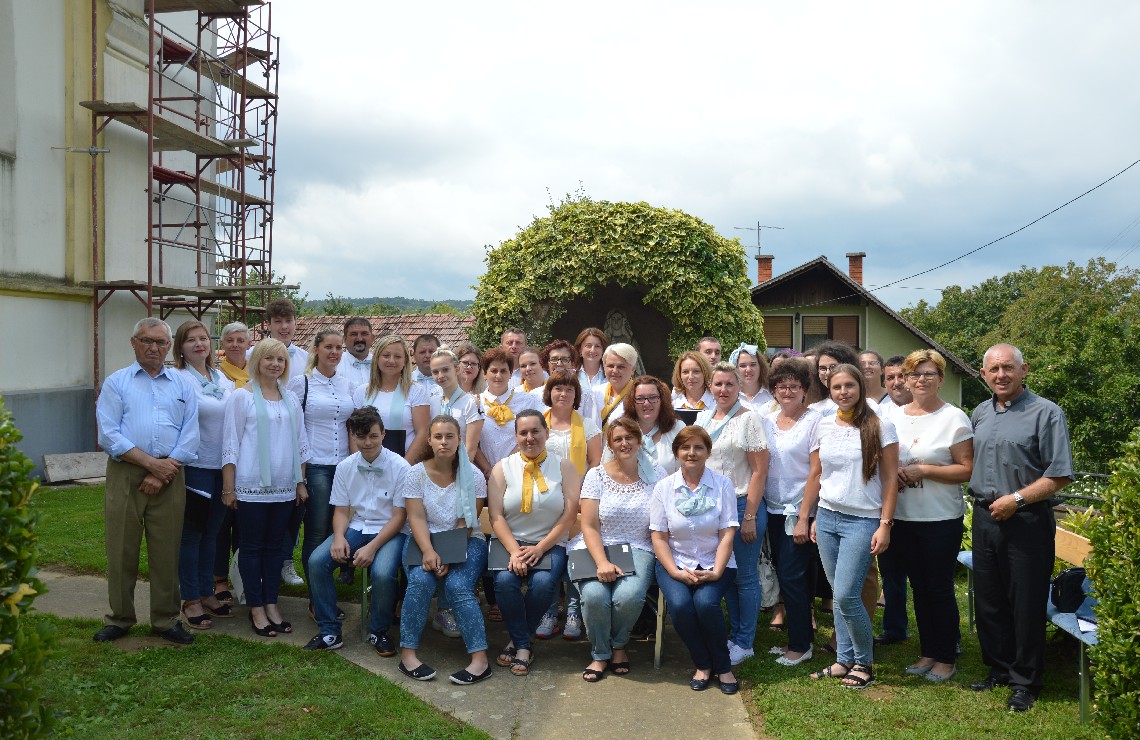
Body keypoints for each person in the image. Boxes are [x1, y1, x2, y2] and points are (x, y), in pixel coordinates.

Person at [968, 344, 1073, 712]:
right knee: (990, 599)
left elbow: (1059, 474)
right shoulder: (980, 412)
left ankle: (1025, 681)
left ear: (1023, 370)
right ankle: (999, 669)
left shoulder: (1046, 413)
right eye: (994, 369)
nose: (1001, 375)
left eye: (1008, 368)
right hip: (985, 517)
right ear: (984, 375)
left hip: (1026, 519)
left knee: (1026, 602)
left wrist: (1017, 499)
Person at [94, 318, 200, 645]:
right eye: (146, 341)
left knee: (167, 550)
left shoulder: (182, 384)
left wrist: (163, 469)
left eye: (161, 342)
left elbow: (191, 433)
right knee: (121, 548)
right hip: (126, 472)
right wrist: (151, 465)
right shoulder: (117, 382)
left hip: (171, 473)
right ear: (134, 342)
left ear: (169, 346)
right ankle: (120, 618)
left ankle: (166, 620)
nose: (154, 347)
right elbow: (108, 434)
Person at [799, 363, 898, 689]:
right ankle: (843, 660)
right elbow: (817, 474)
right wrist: (810, 516)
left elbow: (890, 480)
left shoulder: (881, 426)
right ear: (830, 390)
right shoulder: (824, 425)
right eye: (837, 387)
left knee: (846, 595)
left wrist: (885, 524)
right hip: (828, 517)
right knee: (839, 596)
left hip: (863, 520)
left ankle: (864, 663)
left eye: (849, 386)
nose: (843, 392)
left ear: (861, 387)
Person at [877, 350, 973, 683]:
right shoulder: (893, 417)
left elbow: (966, 469)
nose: (921, 380)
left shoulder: (954, 418)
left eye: (929, 374)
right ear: (905, 379)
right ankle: (928, 651)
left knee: (938, 587)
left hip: (940, 518)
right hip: (902, 516)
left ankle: (946, 657)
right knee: (918, 587)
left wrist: (925, 470)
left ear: (940, 379)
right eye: (914, 374)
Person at [221, 338, 310, 637]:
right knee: (251, 547)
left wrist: (300, 482)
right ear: (257, 360)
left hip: (284, 486)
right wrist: (229, 488)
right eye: (269, 358)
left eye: (280, 360)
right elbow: (231, 442)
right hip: (251, 486)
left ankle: (272, 603)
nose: (275, 364)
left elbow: (301, 442)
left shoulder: (290, 399)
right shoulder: (241, 397)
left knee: (275, 548)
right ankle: (256, 607)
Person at [304, 407, 409, 655]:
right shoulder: (345, 467)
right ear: (352, 436)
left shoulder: (400, 466)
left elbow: (399, 516)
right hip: (358, 525)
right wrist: (339, 537)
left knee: (382, 573)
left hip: (391, 530)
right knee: (317, 561)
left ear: (383, 433)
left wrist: (372, 548)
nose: (367, 442)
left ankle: (379, 631)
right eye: (361, 437)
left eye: (373, 436)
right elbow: (341, 510)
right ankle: (329, 631)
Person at [399, 415, 492, 684]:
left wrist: (449, 555)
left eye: (450, 436)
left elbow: (467, 521)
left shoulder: (473, 475)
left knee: (457, 585)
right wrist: (429, 551)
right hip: (423, 539)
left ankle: (480, 661)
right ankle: (408, 656)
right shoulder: (415, 474)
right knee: (420, 581)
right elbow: (416, 518)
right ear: (429, 440)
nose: (444, 442)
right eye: (438, 437)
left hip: (466, 540)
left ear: (459, 440)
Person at [487, 410, 582, 676]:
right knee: (504, 582)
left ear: (546, 433)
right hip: (509, 542)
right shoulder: (502, 468)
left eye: (535, 431)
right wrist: (514, 551)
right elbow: (495, 515)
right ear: (516, 436)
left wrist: (541, 547)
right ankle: (523, 645)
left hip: (549, 543)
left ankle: (517, 642)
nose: (530, 438)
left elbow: (569, 514)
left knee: (542, 584)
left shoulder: (564, 467)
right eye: (523, 433)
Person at [650, 425, 739, 694]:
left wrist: (716, 571)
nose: (691, 453)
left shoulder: (723, 484)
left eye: (699, 447)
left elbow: (727, 533)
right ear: (676, 452)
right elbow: (659, 537)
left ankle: (723, 666)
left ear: (708, 452)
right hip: (675, 561)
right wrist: (674, 571)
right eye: (685, 447)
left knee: (706, 603)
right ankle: (703, 663)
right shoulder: (664, 488)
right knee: (680, 606)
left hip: (716, 561)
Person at [575, 418, 663, 681]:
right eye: (618, 439)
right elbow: (589, 525)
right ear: (610, 446)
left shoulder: (657, 474)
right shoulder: (596, 476)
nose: (624, 443)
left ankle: (619, 645)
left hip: (638, 546)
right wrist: (601, 562)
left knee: (628, 597)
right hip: (596, 545)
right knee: (594, 596)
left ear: (639, 440)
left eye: (629, 437)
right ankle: (600, 653)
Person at [698, 362, 770, 666]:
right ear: (710, 387)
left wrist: (750, 515)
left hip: (742, 504)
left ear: (740, 386)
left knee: (745, 576)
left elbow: (760, 470)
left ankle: (745, 641)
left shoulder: (749, 419)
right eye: (718, 384)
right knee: (726, 573)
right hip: (712, 508)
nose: (723, 389)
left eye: (730, 384)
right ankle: (735, 633)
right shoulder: (703, 417)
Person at [173, 320, 235, 630]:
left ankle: (207, 591)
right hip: (196, 467)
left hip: (222, 467)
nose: (199, 344)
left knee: (212, 533)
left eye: (203, 338)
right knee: (192, 535)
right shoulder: (179, 379)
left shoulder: (222, 378)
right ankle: (190, 598)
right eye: (191, 340)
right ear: (180, 348)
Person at [286, 328, 356, 600]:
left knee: (336, 529)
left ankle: (326, 588)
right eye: (329, 347)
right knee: (316, 530)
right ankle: (318, 598)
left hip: (343, 466)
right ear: (316, 350)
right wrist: (298, 476)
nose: (334, 352)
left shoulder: (347, 384)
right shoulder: (301, 383)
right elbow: (292, 429)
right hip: (315, 464)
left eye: (339, 348)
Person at [762, 359, 822, 666]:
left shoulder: (814, 422)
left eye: (794, 386)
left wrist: (803, 517)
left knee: (793, 576)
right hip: (771, 509)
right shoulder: (767, 420)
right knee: (784, 576)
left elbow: (816, 472)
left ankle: (801, 646)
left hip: (798, 511)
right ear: (773, 390)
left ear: (804, 390)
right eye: (781, 386)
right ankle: (797, 637)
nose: (787, 391)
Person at [534, 370, 602, 640]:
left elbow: (595, 464)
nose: (563, 394)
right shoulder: (539, 423)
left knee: (577, 553)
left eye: (569, 389)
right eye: (558, 388)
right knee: (549, 552)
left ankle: (574, 611)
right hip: (546, 499)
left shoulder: (588, 425)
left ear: (576, 395)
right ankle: (549, 611)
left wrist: (584, 496)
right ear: (549, 392)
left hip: (580, 499)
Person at [353, 334, 430, 463]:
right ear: (377, 358)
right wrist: (361, 464)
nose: (391, 361)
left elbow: (423, 432)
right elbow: (354, 432)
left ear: (405, 361)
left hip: (405, 465)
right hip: (367, 465)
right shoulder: (362, 392)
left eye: (397, 356)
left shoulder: (416, 391)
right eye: (386, 355)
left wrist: (403, 467)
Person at [478, 346, 542, 470]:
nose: (498, 375)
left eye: (503, 371)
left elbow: (533, 436)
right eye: (494, 371)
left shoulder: (528, 401)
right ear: (484, 373)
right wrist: (489, 471)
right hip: (485, 473)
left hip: (520, 469)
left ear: (511, 374)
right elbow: (471, 443)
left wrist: (504, 467)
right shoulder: (475, 403)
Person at [606, 375, 683, 475]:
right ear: (632, 402)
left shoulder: (678, 428)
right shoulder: (620, 428)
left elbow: (685, 470)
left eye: (653, 397)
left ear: (662, 400)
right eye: (640, 398)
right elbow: (607, 468)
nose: (646, 403)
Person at [541, 339, 601, 425]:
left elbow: (594, 427)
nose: (559, 363)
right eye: (554, 359)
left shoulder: (586, 395)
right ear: (547, 363)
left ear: (572, 363)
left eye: (564, 359)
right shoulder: (535, 395)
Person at [251, 298, 308, 380]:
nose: (284, 326)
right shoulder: (251, 355)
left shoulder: (306, 359)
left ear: (295, 323)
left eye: (288, 321)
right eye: (278, 321)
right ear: (268, 324)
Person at [593, 343, 639, 430]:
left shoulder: (640, 396)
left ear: (633, 369)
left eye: (621, 367)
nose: (615, 371)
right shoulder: (594, 392)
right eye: (610, 366)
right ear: (604, 367)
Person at [731, 343, 774, 413]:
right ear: (735, 369)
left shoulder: (772, 394)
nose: (748, 370)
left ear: (760, 367)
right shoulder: (730, 396)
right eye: (743, 366)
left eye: (753, 365)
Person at [338, 317, 375, 389]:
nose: (359, 339)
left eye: (364, 334)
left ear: (372, 338)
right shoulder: (335, 366)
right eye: (354, 334)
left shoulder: (381, 365)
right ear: (344, 339)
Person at [218, 321, 251, 388]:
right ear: (222, 344)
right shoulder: (216, 376)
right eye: (230, 340)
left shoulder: (257, 375)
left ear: (249, 344)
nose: (235, 345)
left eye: (240, 341)